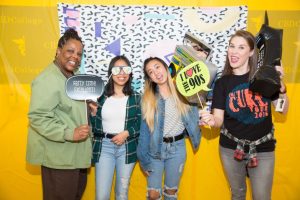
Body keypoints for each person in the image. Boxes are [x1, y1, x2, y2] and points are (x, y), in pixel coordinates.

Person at [200, 30, 289, 200]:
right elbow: (218, 119)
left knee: (262, 196)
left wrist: (281, 87)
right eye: (231, 46)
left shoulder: (262, 77)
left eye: (241, 47)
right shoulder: (222, 82)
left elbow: (281, 110)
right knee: (238, 193)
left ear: (251, 52)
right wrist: (211, 119)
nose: (234, 51)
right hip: (231, 149)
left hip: (262, 148)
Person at [26, 28, 91, 200]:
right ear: (58, 51)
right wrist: (70, 133)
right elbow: (38, 117)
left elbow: (67, 109)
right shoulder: (47, 79)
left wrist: (87, 107)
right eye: (70, 51)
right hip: (59, 159)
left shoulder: (71, 76)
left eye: (79, 53)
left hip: (74, 157)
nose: (75, 57)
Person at [137, 57, 201, 200]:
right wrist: (143, 159)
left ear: (166, 67)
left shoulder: (184, 91)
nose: (156, 73)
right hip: (155, 151)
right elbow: (144, 131)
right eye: (151, 72)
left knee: (171, 192)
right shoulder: (148, 98)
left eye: (157, 67)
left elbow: (204, 94)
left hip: (177, 149)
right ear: (150, 78)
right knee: (153, 195)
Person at [89, 55, 141, 200]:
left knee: (122, 193)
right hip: (104, 147)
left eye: (126, 69)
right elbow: (94, 127)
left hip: (127, 148)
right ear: (111, 72)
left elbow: (141, 123)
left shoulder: (136, 97)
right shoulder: (99, 96)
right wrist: (93, 114)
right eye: (117, 69)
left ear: (130, 73)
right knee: (101, 195)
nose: (122, 73)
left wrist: (127, 133)